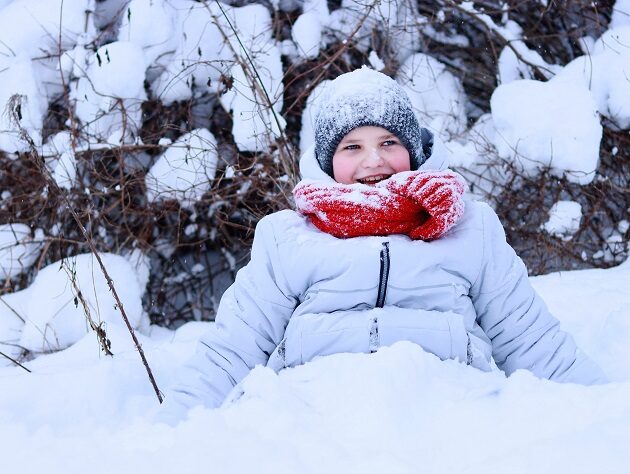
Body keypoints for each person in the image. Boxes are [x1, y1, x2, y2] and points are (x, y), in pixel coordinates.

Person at [165, 67, 606, 416]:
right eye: (352, 147)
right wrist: (174, 429)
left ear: (412, 150)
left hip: (453, 415)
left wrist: (604, 412)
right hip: (310, 420)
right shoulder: (288, 238)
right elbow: (234, 348)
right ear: (327, 161)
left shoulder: (471, 229)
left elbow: (529, 339)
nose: (373, 161)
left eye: (389, 141)